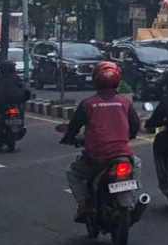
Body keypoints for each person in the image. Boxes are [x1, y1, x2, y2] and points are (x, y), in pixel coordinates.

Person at [60, 61, 141, 222]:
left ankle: (83, 205)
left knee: (73, 173)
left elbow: (74, 127)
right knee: (137, 164)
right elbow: (135, 126)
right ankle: (132, 195)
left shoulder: (88, 104)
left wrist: (68, 138)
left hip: (97, 156)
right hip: (122, 153)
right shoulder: (125, 103)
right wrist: (127, 138)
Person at [0, 59, 31, 132]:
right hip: (15, 103)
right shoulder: (17, 80)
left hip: (1, 104)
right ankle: (21, 125)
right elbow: (25, 91)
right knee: (20, 109)